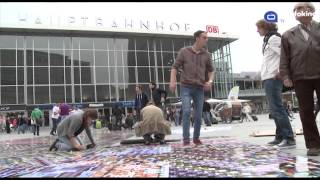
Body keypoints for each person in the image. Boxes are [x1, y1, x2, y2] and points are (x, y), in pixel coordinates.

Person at [279, 2, 320, 155]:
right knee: (306, 111)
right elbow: (284, 58)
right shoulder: (288, 34)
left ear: (311, 12)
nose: (300, 12)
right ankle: (313, 144)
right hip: (300, 76)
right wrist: (285, 76)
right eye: (297, 10)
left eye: (303, 9)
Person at [256, 18, 296, 148]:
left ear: (265, 28)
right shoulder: (268, 39)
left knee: (277, 108)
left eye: (259, 28)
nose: (257, 31)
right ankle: (279, 137)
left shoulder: (274, 38)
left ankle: (288, 138)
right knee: (274, 109)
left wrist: (281, 72)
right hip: (268, 77)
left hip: (273, 78)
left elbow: (286, 55)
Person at [170, 30, 214, 145]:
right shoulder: (184, 51)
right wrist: (173, 81)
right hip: (186, 87)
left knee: (199, 114)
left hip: (199, 88)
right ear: (197, 38)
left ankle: (196, 138)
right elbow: (174, 67)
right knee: (186, 111)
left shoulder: (206, 55)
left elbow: (211, 70)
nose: (206, 39)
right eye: (204, 37)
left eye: (207, 37)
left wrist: (210, 81)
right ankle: (186, 139)